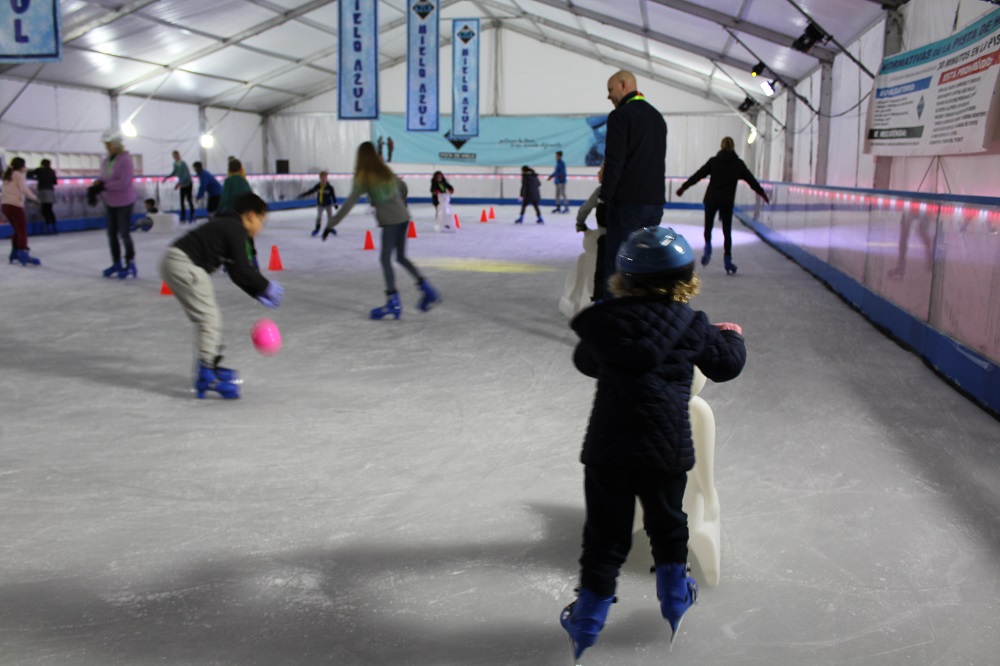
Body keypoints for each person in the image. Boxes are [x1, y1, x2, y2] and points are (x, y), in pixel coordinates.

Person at [560, 226, 746, 661]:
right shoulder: (692, 325)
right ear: (686, 279)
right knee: (668, 524)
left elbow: (586, 361)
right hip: (665, 450)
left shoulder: (606, 322)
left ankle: (586, 621)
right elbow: (726, 365)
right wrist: (733, 334)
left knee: (604, 535)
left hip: (609, 450)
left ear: (623, 278)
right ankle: (676, 597)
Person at [159, 192, 283, 400]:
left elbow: (235, 272)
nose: (260, 228)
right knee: (209, 318)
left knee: (205, 319)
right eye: (261, 221)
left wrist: (256, 291)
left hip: (173, 262)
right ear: (251, 215)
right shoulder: (235, 228)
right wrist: (266, 286)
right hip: (185, 265)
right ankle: (206, 373)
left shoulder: (227, 224)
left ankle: (208, 365)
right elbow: (243, 269)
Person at [321, 141, 439, 320]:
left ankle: (393, 302)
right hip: (403, 216)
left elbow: (350, 202)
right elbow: (403, 187)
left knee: (385, 259)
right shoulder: (384, 169)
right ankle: (427, 289)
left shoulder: (364, 176)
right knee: (400, 257)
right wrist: (398, 201)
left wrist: (331, 223)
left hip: (390, 220)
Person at [600, 70, 667, 299]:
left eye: (610, 90)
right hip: (654, 203)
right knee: (645, 262)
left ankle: (612, 320)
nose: (609, 97)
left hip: (627, 203)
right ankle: (643, 313)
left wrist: (604, 199)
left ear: (623, 85)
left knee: (616, 263)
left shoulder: (620, 116)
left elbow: (614, 162)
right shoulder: (657, 117)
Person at [675, 136, 769, 275]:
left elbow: (698, 175)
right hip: (726, 201)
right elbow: (751, 180)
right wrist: (762, 193)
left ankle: (707, 247)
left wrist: (683, 187)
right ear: (733, 147)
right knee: (727, 231)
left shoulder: (714, 162)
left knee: (708, 227)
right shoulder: (738, 164)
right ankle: (727, 259)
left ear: (721, 146)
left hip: (711, 199)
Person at [95, 130, 138, 279]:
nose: (106, 147)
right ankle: (116, 263)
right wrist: (98, 184)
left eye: (108, 144)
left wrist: (105, 186)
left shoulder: (125, 160)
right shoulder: (107, 161)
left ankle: (130, 262)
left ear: (116, 144)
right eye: (105, 144)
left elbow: (124, 182)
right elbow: (104, 177)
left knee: (124, 233)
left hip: (124, 202)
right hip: (110, 202)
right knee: (111, 234)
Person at [576, 163, 607, 301]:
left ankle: (599, 300)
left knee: (601, 271)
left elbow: (584, 209)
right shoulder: (625, 191)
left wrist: (580, 224)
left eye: (600, 171)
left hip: (606, 237)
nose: (597, 173)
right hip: (625, 238)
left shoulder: (601, 191)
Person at [2, 157, 41, 266]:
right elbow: (24, 189)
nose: (26, 167)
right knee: (22, 230)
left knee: (17, 230)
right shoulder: (18, 175)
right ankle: (22, 253)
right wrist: (34, 198)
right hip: (15, 205)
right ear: (21, 166)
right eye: (24, 165)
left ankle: (14, 252)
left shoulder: (8, 174)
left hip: (5, 205)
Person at [299, 171, 338, 237]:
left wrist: (335, 203)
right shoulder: (318, 186)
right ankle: (317, 229)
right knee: (319, 217)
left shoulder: (330, 188)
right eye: (322, 177)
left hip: (328, 205)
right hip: (320, 205)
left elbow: (333, 196)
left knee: (330, 217)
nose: (324, 179)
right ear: (320, 178)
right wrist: (304, 194)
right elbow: (311, 191)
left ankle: (330, 228)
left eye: (325, 177)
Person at [27, 158, 58, 234]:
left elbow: (29, 174)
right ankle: (54, 227)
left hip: (42, 191)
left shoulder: (39, 170)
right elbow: (55, 182)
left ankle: (48, 227)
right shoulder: (52, 171)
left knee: (44, 210)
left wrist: (37, 178)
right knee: (50, 209)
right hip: (50, 191)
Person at [163, 150, 195, 223]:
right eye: (173, 156)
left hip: (188, 183)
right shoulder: (175, 164)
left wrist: (178, 183)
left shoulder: (183, 163)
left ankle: (192, 215)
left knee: (189, 199)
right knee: (182, 201)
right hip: (182, 184)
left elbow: (185, 175)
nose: (175, 157)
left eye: (176, 155)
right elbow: (174, 172)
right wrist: (167, 177)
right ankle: (183, 215)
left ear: (179, 155)